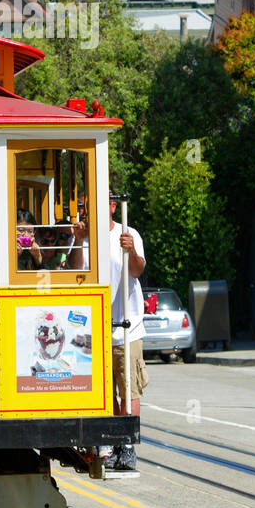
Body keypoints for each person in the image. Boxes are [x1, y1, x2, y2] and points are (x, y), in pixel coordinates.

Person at [104, 193, 147, 471]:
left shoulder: (127, 233)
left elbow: (137, 270)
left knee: (128, 387)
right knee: (106, 393)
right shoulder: (85, 236)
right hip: (93, 329)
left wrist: (130, 249)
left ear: (112, 205)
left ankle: (127, 446)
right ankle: (109, 443)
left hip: (125, 327)